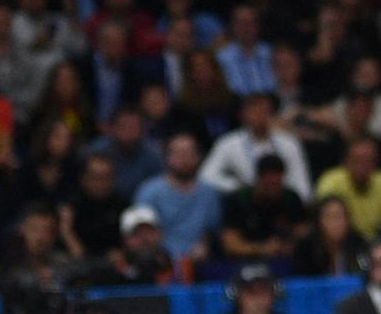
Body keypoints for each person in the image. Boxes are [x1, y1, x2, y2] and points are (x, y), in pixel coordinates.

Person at [134, 133, 224, 272]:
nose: (185, 159)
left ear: (198, 156)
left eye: (190, 153)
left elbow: (211, 231)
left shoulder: (209, 192)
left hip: (201, 263)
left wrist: (205, 247)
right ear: (167, 157)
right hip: (158, 264)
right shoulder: (149, 191)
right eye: (179, 153)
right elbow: (141, 233)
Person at [200, 94, 313, 202]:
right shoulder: (228, 143)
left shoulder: (289, 143)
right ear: (244, 115)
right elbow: (207, 176)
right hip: (247, 203)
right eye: (255, 112)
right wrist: (237, 186)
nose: (260, 116)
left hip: (281, 201)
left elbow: (301, 183)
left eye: (265, 111)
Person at [220, 153, 310, 263]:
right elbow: (230, 244)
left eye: (276, 184)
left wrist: (290, 247)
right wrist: (261, 248)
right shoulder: (239, 200)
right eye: (268, 185)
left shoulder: (291, 198)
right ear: (258, 179)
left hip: (285, 262)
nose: (272, 190)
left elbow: (305, 236)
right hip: (245, 262)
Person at [313, 135, 381, 240]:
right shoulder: (331, 182)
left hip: (374, 243)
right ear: (346, 161)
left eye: (369, 160)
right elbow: (322, 221)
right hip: (341, 241)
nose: (363, 166)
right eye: (357, 160)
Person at [201, 262, 300, 314]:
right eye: (251, 292)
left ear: (274, 295)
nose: (258, 299)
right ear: (237, 296)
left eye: (264, 292)